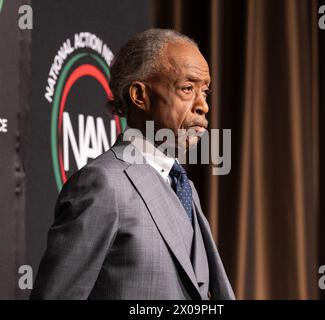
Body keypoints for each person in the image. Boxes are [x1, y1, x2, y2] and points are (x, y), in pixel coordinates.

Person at [30, 28, 235, 300]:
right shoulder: (103, 185)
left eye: (204, 92)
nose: (203, 106)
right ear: (140, 96)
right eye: (188, 88)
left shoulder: (184, 187)